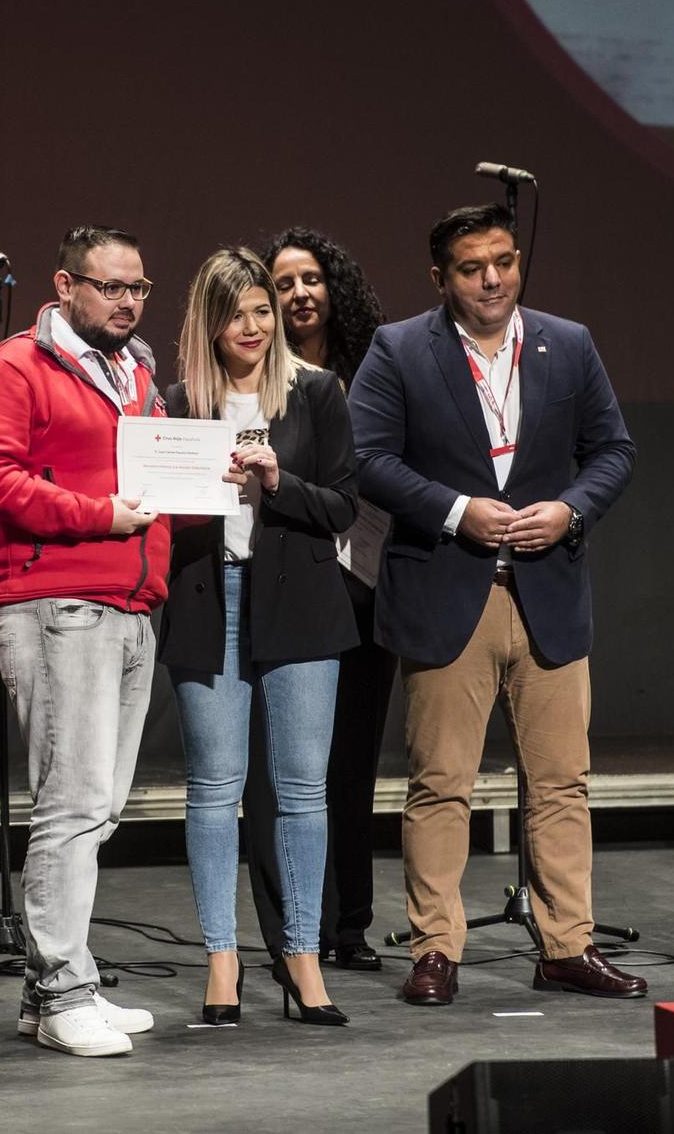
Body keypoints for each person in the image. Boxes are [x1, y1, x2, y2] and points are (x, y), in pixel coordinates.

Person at [350, 203, 644, 1005]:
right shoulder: (400, 348)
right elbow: (368, 457)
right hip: (450, 588)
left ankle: (567, 946)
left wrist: (572, 508)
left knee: (560, 782)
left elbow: (613, 450)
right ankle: (435, 949)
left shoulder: (568, 342)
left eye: (505, 262)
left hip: (547, 591)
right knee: (441, 781)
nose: (492, 279)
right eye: (473, 266)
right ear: (440, 276)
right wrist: (455, 510)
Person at [0, 224, 170, 1057]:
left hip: (128, 601)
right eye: (111, 287)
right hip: (55, 601)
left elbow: (149, 475)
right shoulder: (18, 364)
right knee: (72, 801)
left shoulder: (137, 371)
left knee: (100, 804)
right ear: (66, 285)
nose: (127, 301)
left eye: (139, 288)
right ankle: (59, 988)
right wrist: (97, 515)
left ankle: (59, 980)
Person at [159, 247, 359, 1026]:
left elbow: (344, 505)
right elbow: (155, 509)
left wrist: (281, 482)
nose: (251, 325)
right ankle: (223, 956)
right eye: (235, 312)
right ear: (209, 322)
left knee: (303, 789)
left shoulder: (315, 393)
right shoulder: (177, 403)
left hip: (302, 604)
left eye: (261, 310)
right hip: (210, 599)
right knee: (215, 788)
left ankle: (302, 955)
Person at [241, 227, 396, 973]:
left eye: (313, 278)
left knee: (351, 763)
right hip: (290, 575)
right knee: (284, 768)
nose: (300, 293)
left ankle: (350, 924)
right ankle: (294, 927)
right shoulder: (250, 371)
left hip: (366, 577)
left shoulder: (379, 365)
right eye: (284, 282)